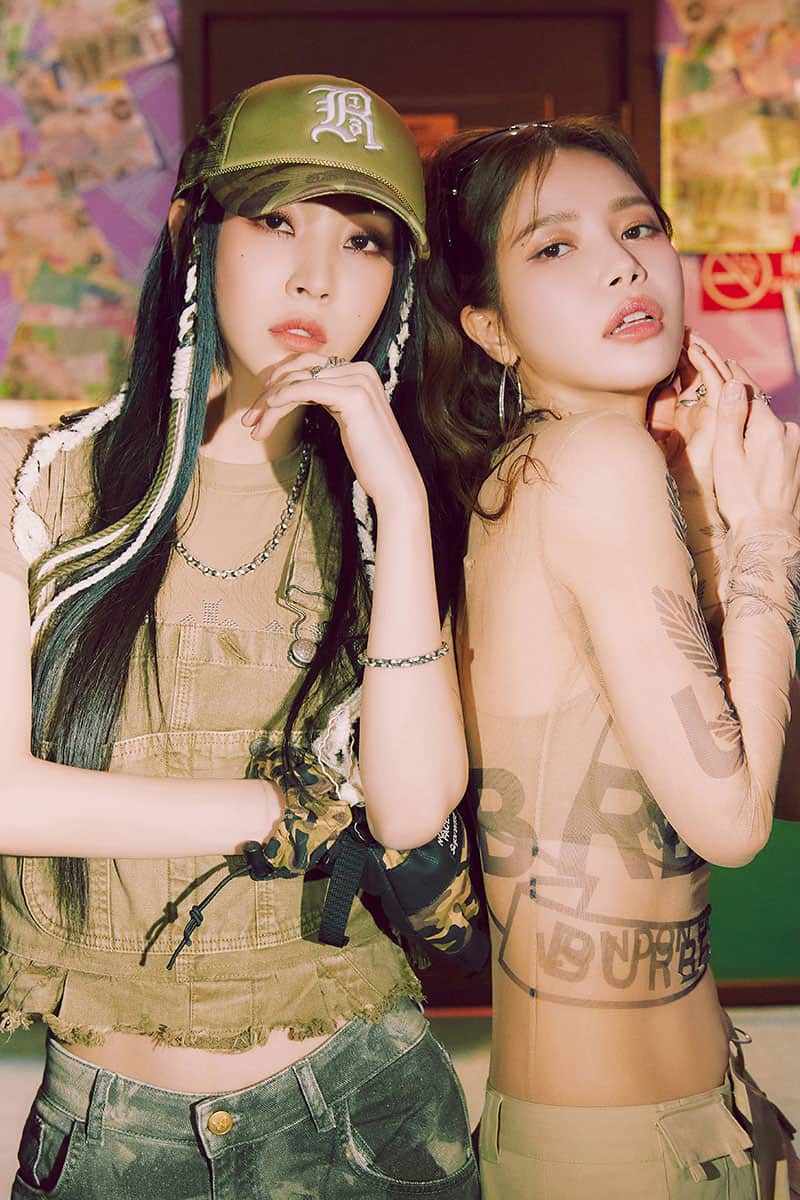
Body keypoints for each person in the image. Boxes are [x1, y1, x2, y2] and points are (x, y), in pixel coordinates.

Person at [0, 74, 480, 1198]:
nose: (317, 275)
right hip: (109, 1137)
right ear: (193, 232)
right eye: (276, 221)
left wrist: (401, 504)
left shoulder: (391, 512)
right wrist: (284, 809)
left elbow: (410, 810)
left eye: (361, 241)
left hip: (363, 1113)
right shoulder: (43, 483)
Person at [419, 116, 800, 1199]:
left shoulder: (531, 473)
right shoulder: (594, 463)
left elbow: (695, 746)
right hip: (630, 1153)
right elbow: (731, 819)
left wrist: (713, 521)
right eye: (555, 246)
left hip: (643, 1122)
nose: (624, 264)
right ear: (489, 328)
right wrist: (767, 539)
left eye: (638, 227)